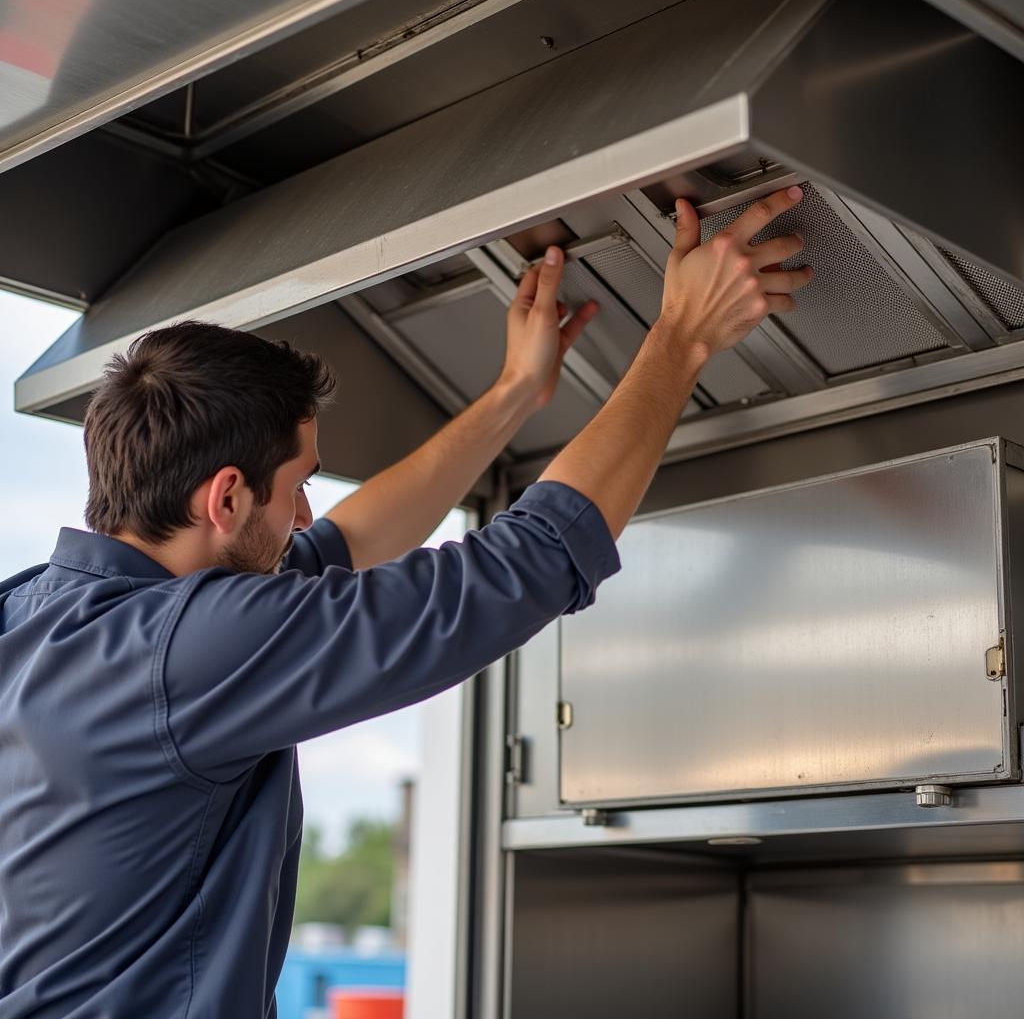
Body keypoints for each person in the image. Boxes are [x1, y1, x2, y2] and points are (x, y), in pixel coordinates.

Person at [0, 188, 811, 1017]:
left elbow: (336, 547)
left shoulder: (33, 615)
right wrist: (683, 338)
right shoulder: (181, 652)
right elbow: (519, 566)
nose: (307, 514)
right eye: (300, 486)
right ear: (226, 499)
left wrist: (512, 397)